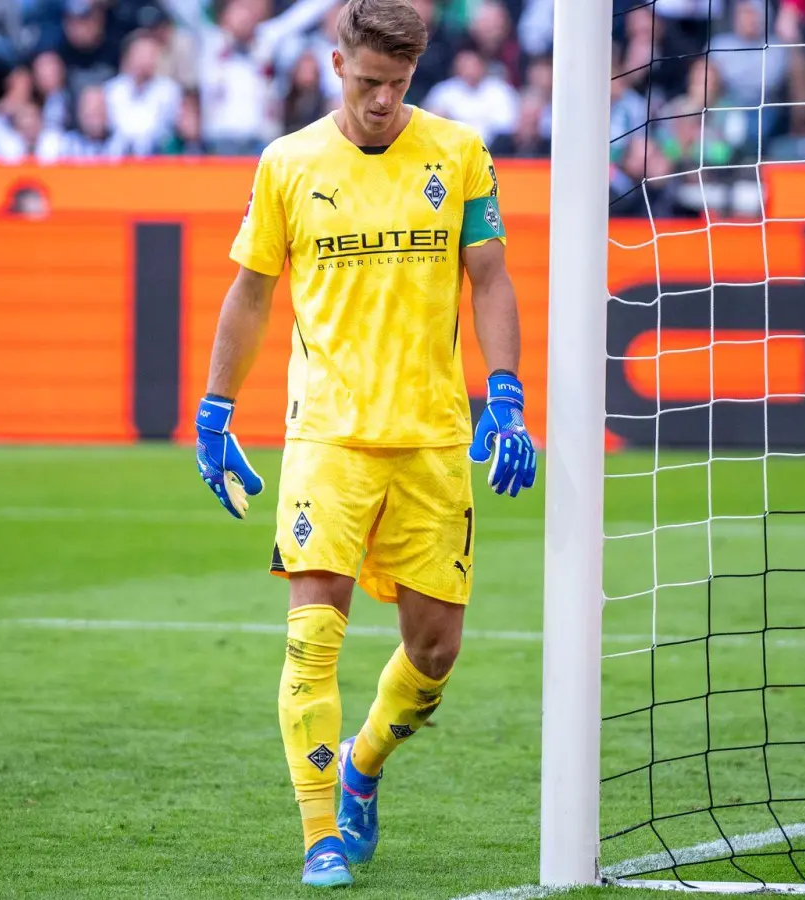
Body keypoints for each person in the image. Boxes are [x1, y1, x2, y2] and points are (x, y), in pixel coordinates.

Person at [191, 0, 535, 889]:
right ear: (335, 63)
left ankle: (363, 767)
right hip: (328, 437)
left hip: (430, 439)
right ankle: (319, 840)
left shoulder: (458, 153)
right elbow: (252, 293)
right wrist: (216, 409)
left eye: (399, 83)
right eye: (369, 81)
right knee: (311, 640)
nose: (383, 100)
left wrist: (506, 396)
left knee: (433, 654)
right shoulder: (289, 163)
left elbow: (489, 278)